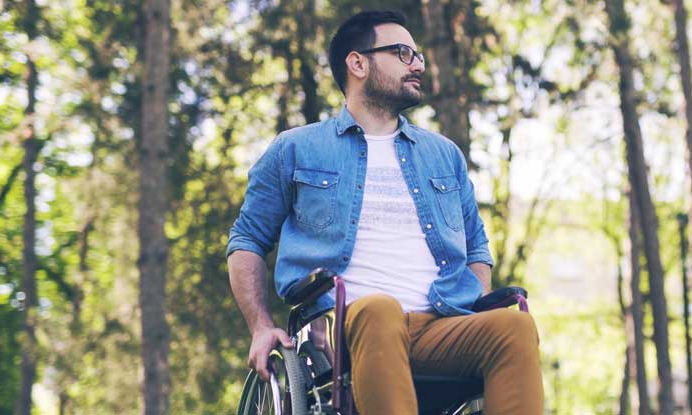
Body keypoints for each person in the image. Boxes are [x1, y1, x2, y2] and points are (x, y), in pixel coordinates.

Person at [226, 10, 543, 415]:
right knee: (380, 308)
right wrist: (259, 325)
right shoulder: (297, 149)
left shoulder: (443, 155)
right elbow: (247, 240)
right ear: (358, 63)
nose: (418, 65)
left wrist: (474, 306)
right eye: (403, 53)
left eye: (419, 56)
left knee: (513, 325)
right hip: (342, 330)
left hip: (440, 324)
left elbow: (476, 247)